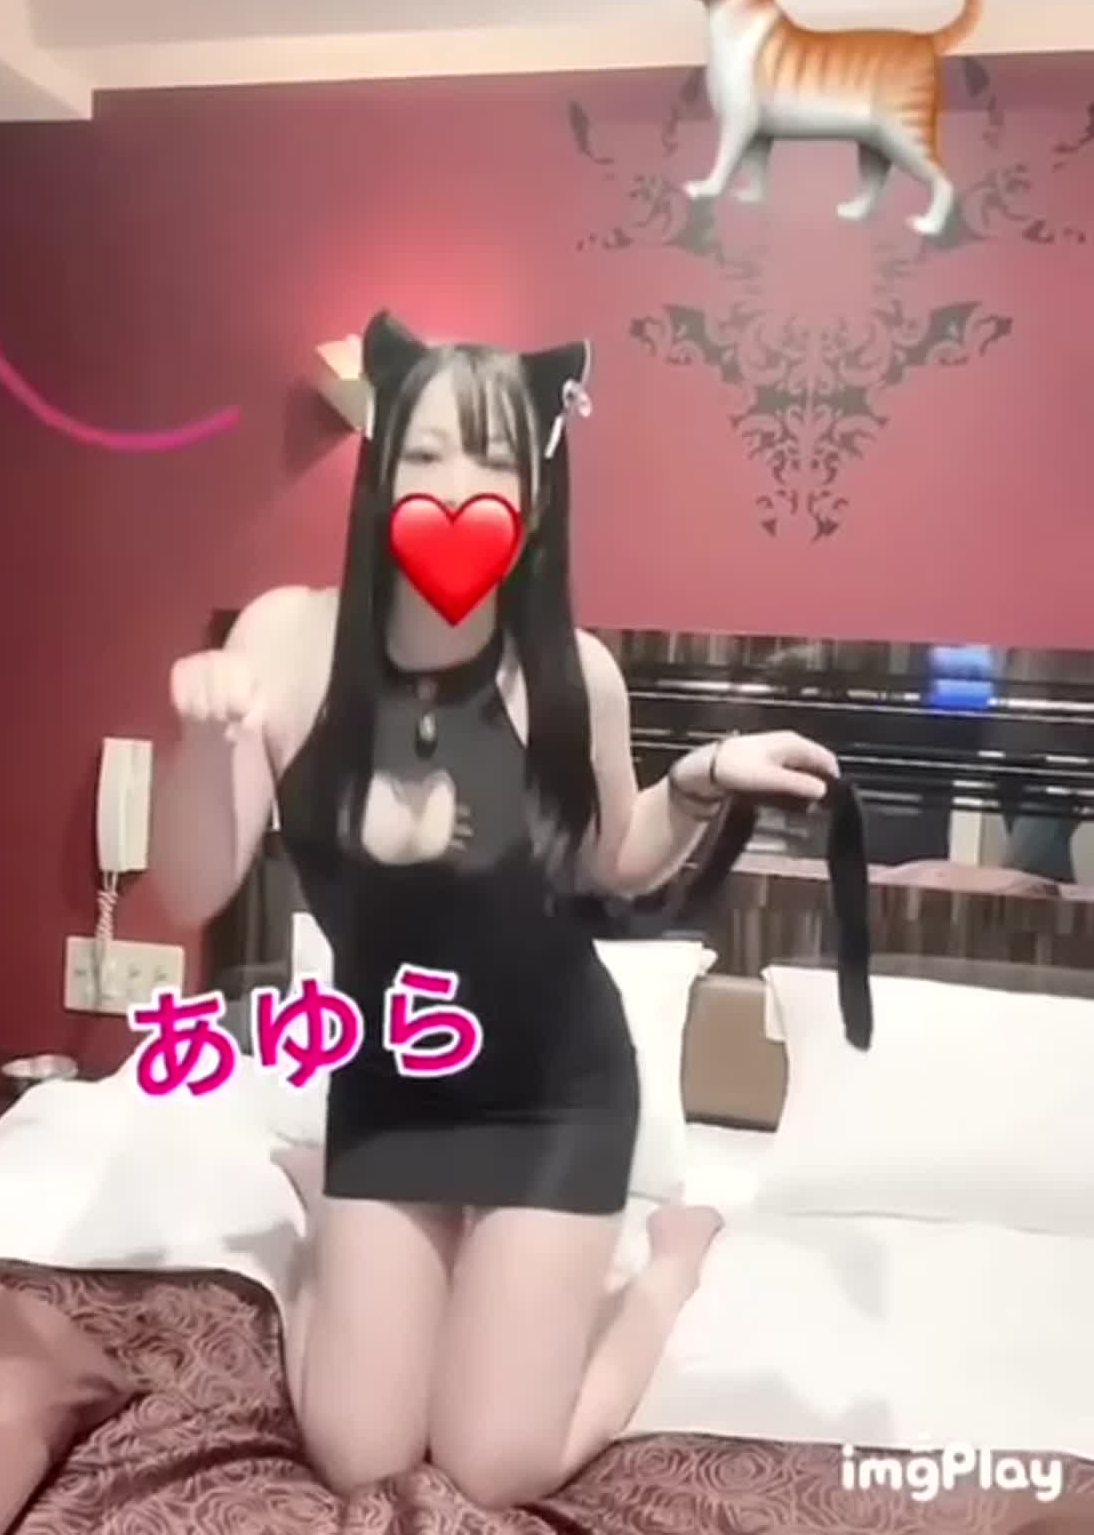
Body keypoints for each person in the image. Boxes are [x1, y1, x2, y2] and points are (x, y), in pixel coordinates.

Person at [149, 311, 843, 1508]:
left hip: (552, 1092)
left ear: (533, 487)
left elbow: (613, 861)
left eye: (492, 459)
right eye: (423, 452)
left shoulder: (575, 672)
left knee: (493, 1462)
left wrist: (696, 779)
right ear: (378, 468)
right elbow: (191, 886)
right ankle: (328, 1209)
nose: (456, 484)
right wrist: (203, 741)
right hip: (390, 1082)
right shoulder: (286, 638)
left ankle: (666, 1268)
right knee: (358, 1452)